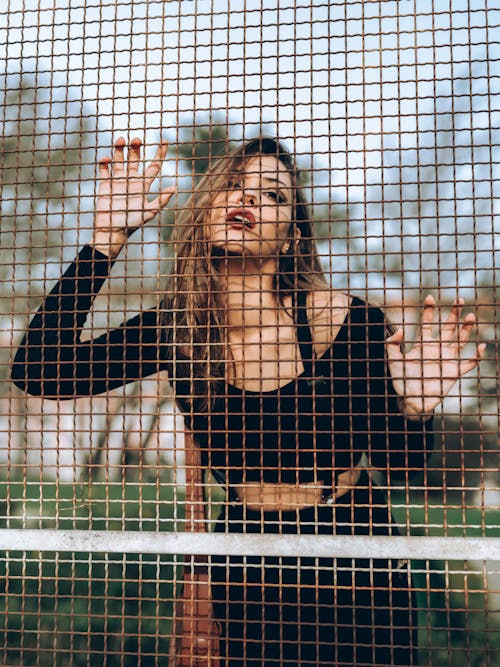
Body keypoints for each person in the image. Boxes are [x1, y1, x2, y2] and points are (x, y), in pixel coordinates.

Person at [12, 135, 485, 666]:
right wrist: (105, 241)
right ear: (209, 208)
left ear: (290, 238)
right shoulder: (179, 328)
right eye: (235, 186)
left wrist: (416, 409)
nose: (251, 199)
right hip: (245, 556)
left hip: (355, 556)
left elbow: (404, 466)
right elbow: (40, 370)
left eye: (274, 196)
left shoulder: (345, 321)